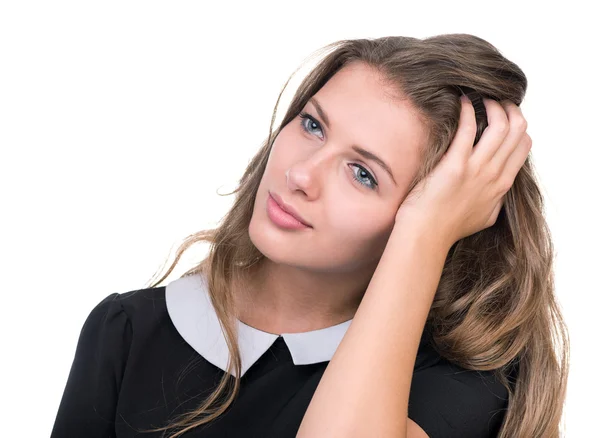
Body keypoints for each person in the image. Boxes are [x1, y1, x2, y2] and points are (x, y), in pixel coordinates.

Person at [50, 34, 569, 438]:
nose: (301, 175)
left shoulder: (459, 376)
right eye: (313, 126)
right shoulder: (127, 331)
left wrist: (424, 235)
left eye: (363, 174)